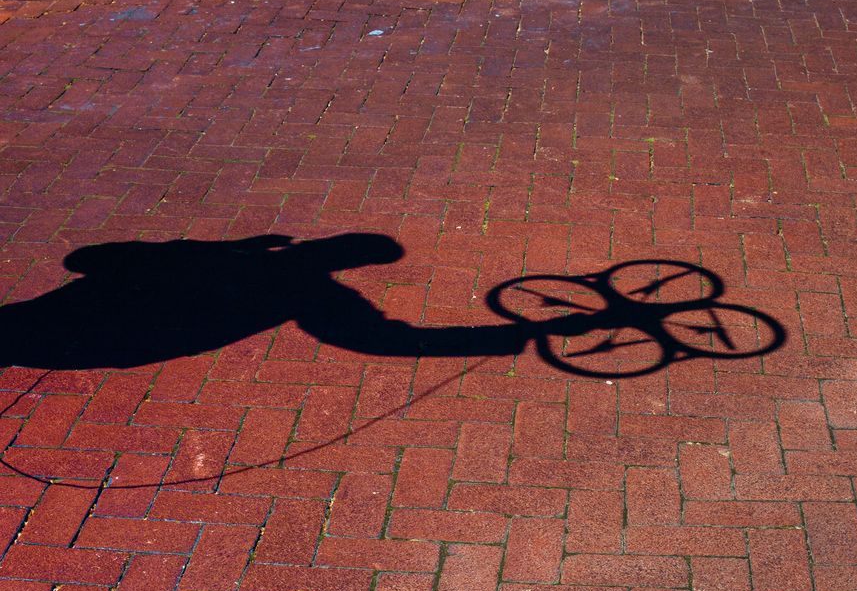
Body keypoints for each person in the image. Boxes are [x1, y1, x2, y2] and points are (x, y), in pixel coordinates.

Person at [0, 233, 529, 370]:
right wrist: (507, 337)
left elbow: (86, 260)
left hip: (80, 326)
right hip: (109, 337)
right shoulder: (304, 289)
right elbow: (374, 339)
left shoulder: (282, 275)